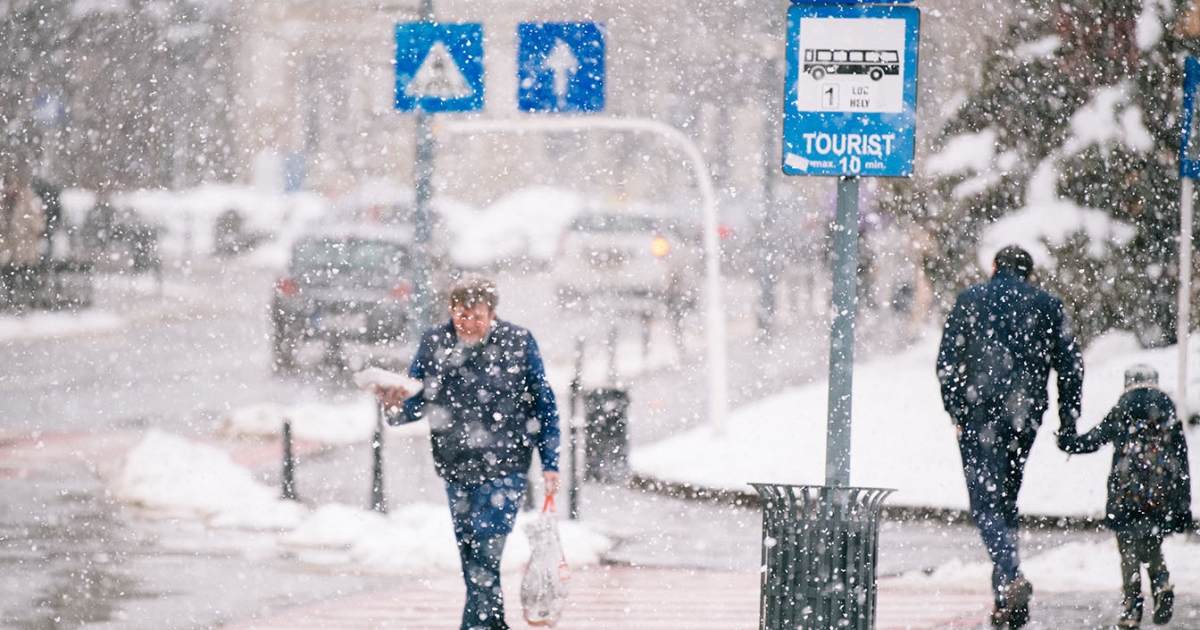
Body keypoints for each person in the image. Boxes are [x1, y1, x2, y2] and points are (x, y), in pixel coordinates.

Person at [375, 274, 561, 630]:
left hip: (505, 467)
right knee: (471, 558)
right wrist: (394, 404)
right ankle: (492, 625)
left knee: (486, 557)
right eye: (462, 315)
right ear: (451, 310)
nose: (469, 324)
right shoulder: (434, 343)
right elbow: (415, 405)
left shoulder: (518, 343)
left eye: (478, 316)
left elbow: (544, 405)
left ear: (493, 314)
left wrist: (550, 462)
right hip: (455, 467)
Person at [936, 244, 1084, 629]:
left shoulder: (971, 300)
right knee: (1006, 502)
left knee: (986, 505)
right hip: (1025, 416)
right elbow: (1071, 365)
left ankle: (1010, 573)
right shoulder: (1046, 305)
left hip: (978, 413)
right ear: (1029, 274)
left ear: (994, 267)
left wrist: (957, 408)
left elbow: (947, 361)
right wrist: (1068, 420)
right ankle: (1006, 599)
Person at [1058, 365, 1191, 629]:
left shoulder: (1123, 408)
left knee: (1128, 548)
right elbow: (1181, 463)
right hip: (1158, 494)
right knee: (1152, 543)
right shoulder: (1169, 412)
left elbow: (1094, 439)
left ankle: (1132, 607)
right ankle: (1161, 582)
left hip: (1126, 492)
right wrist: (1182, 506)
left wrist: (1068, 441)